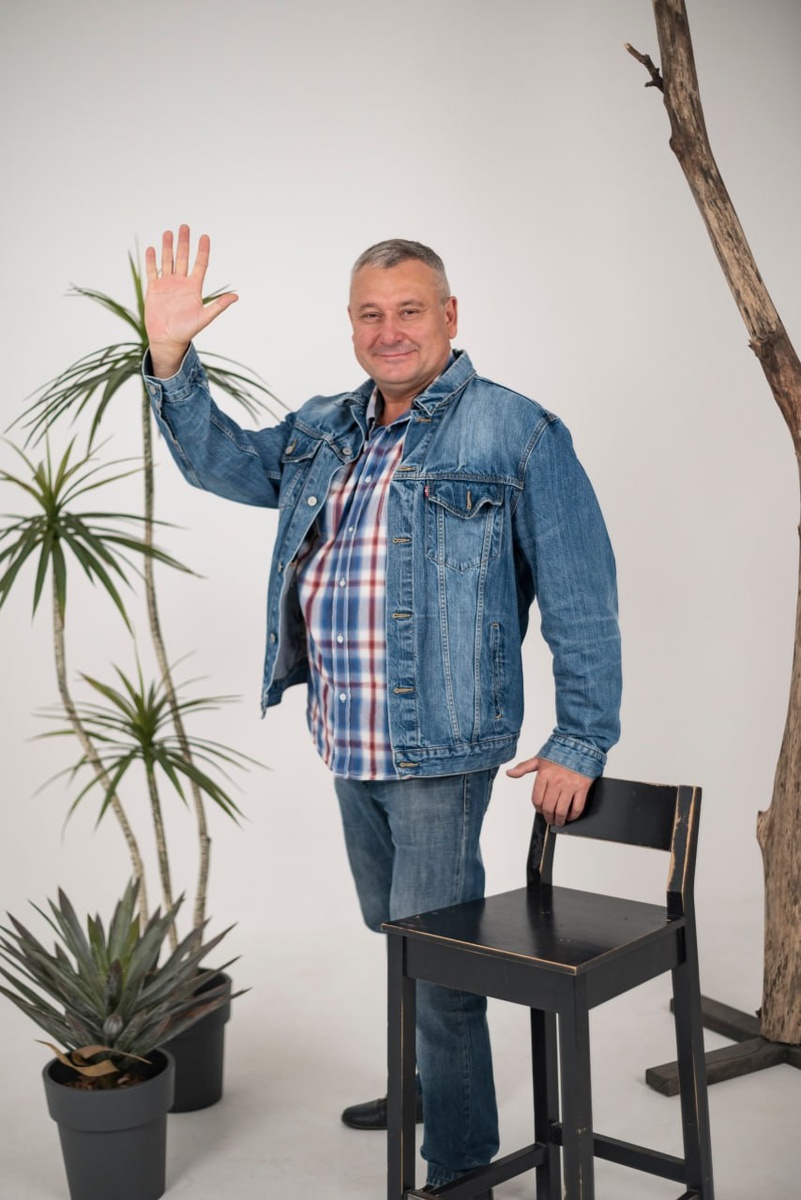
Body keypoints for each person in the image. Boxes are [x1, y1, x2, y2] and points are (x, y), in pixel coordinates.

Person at [142, 226, 622, 1196]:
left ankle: (459, 1164)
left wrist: (580, 738)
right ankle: (428, 1089)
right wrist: (169, 358)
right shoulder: (327, 427)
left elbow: (580, 595)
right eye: (371, 313)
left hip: (442, 743)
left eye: (409, 310)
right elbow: (220, 464)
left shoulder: (515, 431)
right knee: (395, 930)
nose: (389, 330)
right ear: (351, 324)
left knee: (438, 963)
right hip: (346, 736)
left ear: (450, 315)